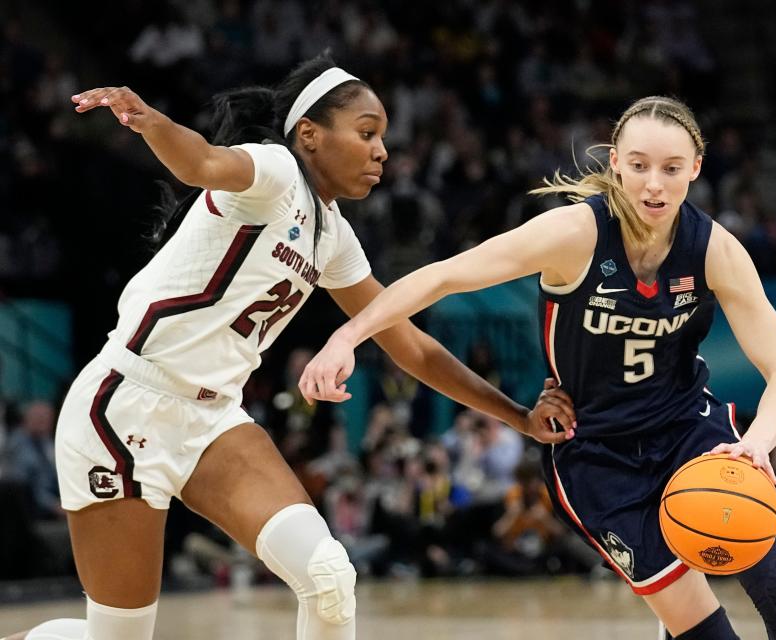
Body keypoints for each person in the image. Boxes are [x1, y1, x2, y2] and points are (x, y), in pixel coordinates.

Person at [8, 54, 575, 640]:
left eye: (384, 137)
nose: (383, 151)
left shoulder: (333, 237)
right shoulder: (276, 171)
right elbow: (202, 160)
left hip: (212, 419)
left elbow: (412, 346)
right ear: (309, 134)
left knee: (329, 575)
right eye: (366, 133)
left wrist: (519, 418)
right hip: (124, 406)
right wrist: (152, 123)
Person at [301, 96, 776, 639]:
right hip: (595, 453)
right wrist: (348, 335)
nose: (653, 185)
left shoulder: (715, 250)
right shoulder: (574, 234)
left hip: (688, 430)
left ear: (695, 168)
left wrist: (757, 443)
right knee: (702, 629)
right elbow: (443, 276)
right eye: (639, 165)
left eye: (671, 169)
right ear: (615, 161)